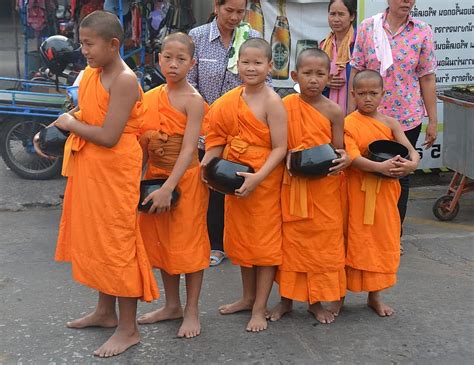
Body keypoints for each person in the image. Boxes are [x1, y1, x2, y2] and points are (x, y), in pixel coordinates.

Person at [34, 11, 159, 357]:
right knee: (99, 241)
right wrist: (53, 132)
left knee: (118, 245)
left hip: (115, 170)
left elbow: (107, 135)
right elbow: (85, 113)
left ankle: (128, 328)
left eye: (89, 44)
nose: (83, 50)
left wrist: (70, 126)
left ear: (113, 44)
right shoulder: (92, 72)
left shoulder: (123, 79)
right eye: (81, 42)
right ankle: (105, 313)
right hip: (90, 169)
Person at [201, 38, 287, 332]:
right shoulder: (229, 100)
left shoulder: (273, 101)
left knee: (264, 248)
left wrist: (258, 177)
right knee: (243, 242)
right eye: (246, 62)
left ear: (269, 66)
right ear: (237, 65)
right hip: (234, 179)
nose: (251, 68)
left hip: (263, 182)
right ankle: (247, 298)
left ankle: (260, 308)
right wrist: (208, 164)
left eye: (257, 63)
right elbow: (216, 138)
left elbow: (280, 148)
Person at [268, 49, 351, 324]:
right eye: (307, 73)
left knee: (321, 247)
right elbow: (276, 143)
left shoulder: (334, 110)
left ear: (329, 77)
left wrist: (344, 159)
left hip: (324, 189)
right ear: (295, 75)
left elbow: (339, 149)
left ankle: (315, 302)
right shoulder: (284, 105)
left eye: (320, 74)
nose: (313, 80)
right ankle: (286, 300)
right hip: (292, 184)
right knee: (291, 245)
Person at [136, 33, 209, 339]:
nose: (173, 64)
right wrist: (137, 183)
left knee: (188, 246)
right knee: (163, 243)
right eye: (168, 57)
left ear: (192, 64)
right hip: (154, 177)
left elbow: (190, 148)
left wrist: (169, 187)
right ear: (159, 58)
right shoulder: (150, 97)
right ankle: (171, 306)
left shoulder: (194, 101)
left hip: (186, 181)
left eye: (181, 59)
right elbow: (140, 144)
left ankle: (191, 311)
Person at [348, 0, 437, 248]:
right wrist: (348, 112)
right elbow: (356, 71)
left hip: (406, 117)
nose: (407, 1)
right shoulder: (368, 27)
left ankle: (392, 236)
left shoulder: (422, 30)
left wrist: (433, 119)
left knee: (401, 175)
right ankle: (362, 235)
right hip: (368, 116)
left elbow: (427, 77)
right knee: (366, 172)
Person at [188, 0, 265, 267]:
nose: (234, 17)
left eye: (240, 12)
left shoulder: (252, 38)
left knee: (235, 187)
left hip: (243, 132)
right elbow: (190, 84)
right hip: (205, 127)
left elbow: (257, 80)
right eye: (228, 10)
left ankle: (234, 243)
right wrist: (212, 119)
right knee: (209, 185)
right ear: (216, 6)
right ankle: (212, 244)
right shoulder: (197, 37)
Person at [344, 70, 420, 316]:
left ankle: (375, 297)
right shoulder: (347, 123)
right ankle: (338, 297)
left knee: (381, 243)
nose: (368, 98)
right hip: (356, 193)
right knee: (350, 242)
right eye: (362, 94)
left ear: (383, 94)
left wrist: (412, 165)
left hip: (385, 195)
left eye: (373, 93)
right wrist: (380, 167)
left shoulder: (390, 123)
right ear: (353, 94)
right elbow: (351, 157)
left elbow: (411, 151)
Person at [320, 0, 357, 116]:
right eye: (332, 14)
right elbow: (314, 76)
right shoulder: (323, 45)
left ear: (352, 16)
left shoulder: (359, 44)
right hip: (326, 106)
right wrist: (325, 82)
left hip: (354, 108)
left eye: (341, 14)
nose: (336, 19)